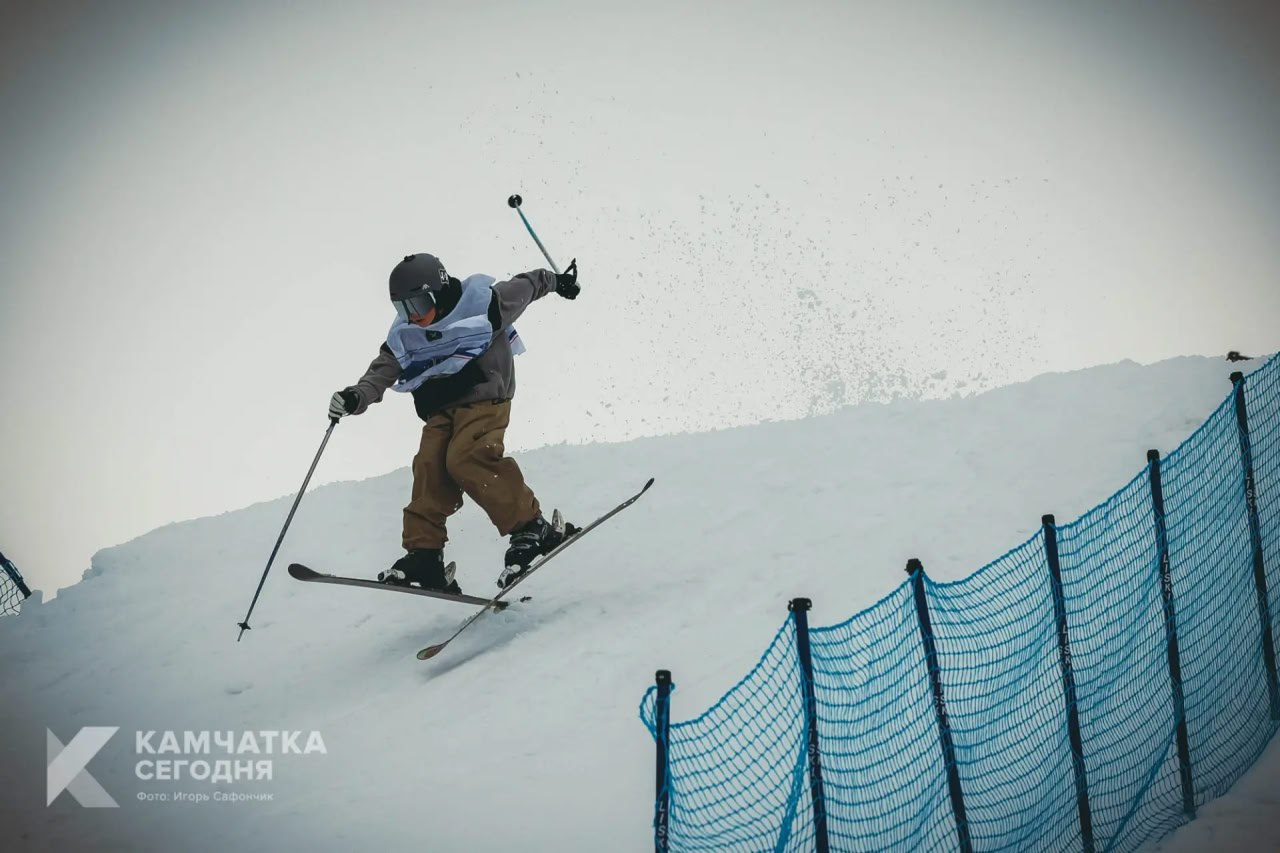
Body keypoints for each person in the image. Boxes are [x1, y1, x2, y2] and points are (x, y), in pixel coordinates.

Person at [328, 252, 581, 594]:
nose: (413, 317)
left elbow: (529, 283)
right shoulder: (406, 333)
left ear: (439, 291)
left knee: (465, 458)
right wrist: (357, 396)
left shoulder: (483, 303)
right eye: (404, 309)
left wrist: (558, 281)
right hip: (440, 407)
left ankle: (530, 527)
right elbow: (383, 369)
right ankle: (425, 553)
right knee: (430, 466)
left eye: (418, 304)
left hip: (484, 396)